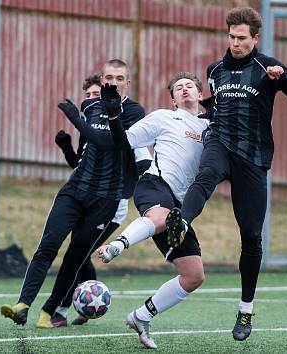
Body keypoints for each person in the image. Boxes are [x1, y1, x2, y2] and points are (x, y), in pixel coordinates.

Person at [164, 7, 287, 341]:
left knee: (251, 236)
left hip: (253, 158)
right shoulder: (214, 69)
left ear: (255, 38)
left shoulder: (267, 67)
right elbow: (216, 105)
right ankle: (182, 220)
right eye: (231, 36)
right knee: (205, 175)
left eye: (241, 38)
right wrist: (204, 109)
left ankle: (245, 311)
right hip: (220, 143)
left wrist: (283, 79)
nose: (235, 43)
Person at [0, 59, 147, 328]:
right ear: (102, 80)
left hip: (107, 199)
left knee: (74, 258)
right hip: (75, 190)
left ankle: (50, 311)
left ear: (127, 82)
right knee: (48, 245)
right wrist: (68, 146)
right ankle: (22, 304)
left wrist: (76, 120)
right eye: (109, 77)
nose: (113, 82)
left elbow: (110, 143)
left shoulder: (135, 112)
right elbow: (84, 154)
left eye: (119, 78)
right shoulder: (90, 106)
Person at [96, 72, 209, 349]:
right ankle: (117, 246)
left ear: (200, 94)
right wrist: (113, 117)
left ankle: (141, 316)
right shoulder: (163, 117)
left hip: (180, 208)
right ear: (172, 100)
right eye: (178, 88)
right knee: (159, 217)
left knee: (193, 275)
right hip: (154, 184)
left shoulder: (212, 127)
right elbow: (123, 142)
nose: (184, 90)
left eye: (190, 86)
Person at [50, 73, 151, 327]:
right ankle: (83, 304)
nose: (93, 100)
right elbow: (79, 165)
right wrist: (66, 148)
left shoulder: (125, 128)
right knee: (79, 253)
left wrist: (137, 193)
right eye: (88, 96)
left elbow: (143, 164)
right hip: (85, 197)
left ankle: (61, 309)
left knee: (78, 254)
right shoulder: (91, 127)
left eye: (97, 95)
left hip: (111, 203)